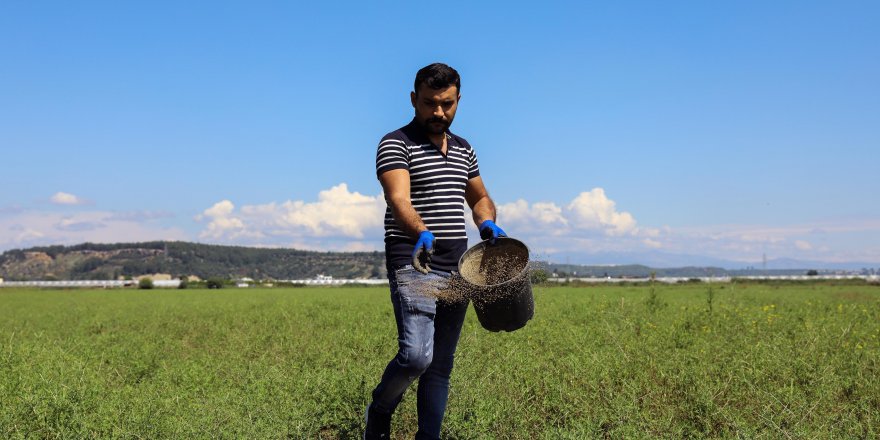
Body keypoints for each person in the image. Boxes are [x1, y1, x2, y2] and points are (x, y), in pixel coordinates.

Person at [365, 63, 507, 440]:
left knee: (440, 366)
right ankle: (380, 408)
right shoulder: (395, 142)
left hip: (458, 267)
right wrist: (422, 230)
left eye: (447, 104)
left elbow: (479, 196)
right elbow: (398, 199)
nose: (438, 112)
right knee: (416, 357)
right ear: (414, 100)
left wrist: (486, 221)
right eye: (429, 103)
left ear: (458, 100)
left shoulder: (464, 149)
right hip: (414, 262)